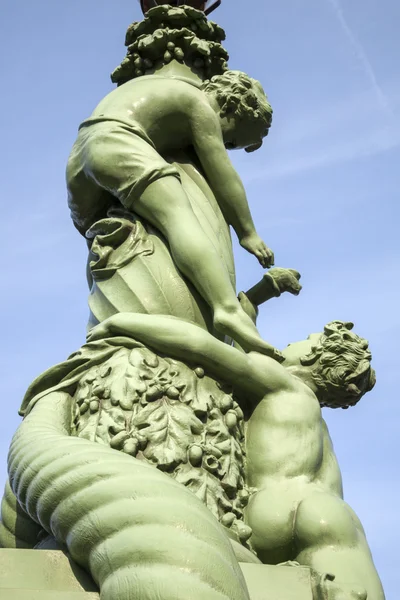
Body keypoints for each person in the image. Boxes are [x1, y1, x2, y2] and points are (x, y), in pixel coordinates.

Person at [87, 312, 384, 599]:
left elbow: (202, 346)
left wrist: (121, 322)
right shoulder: (316, 423)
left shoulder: (284, 385)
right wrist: (259, 295)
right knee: (357, 589)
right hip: (327, 512)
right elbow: (237, 325)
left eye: (307, 339)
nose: (294, 343)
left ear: (313, 355)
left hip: (272, 512)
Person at [67, 70, 283, 359]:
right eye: (232, 141)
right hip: (117, 141)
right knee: (177, 214)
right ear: (234, 108)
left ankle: (98, 322)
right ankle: (227, 310)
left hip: (79, 160)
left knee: (102, 244)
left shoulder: (155, 85)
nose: (226, 145)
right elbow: (223, 175)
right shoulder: (199, 102)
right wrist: (248, 233)